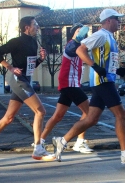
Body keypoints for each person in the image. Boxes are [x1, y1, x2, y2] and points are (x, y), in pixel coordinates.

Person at [52, 8, 125, 165]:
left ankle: (62, 140)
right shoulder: (101, 35)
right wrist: (94, 66)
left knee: (91, 119)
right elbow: (80, 50)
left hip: (104, 81)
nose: (120, 22)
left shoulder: (110, 37)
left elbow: (106, 61)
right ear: (108, 20)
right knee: (121, 114)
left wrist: (117, 70)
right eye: (117, 19)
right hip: (102, 82)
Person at [0, 16, 55, 162]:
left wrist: (40, 59)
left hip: (26, 79)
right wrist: (10, 67)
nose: (37, 27)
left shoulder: (33, 42)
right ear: (26, 27)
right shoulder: (17, 41)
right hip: (18, 80)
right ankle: (38, 148)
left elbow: (29, 67)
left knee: (9, 118)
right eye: (35, 24)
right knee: (40, 111)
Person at [40, 24, 94, 154]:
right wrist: (79, 37)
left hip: (69, 85)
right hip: (70, 85)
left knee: (57, 116)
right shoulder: (71, 45)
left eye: (84, 33)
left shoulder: (81, 48)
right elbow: (71, 48)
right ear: (74, 32)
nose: (82, 34)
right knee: (90, 113)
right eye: (79, 31)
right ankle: (79, 142)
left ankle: (39, 142)